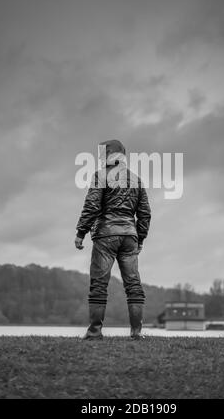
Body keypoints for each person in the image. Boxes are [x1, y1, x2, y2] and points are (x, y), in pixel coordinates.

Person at [75, 139, 151, 340]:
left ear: (107, 154)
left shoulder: (101, 176)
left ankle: (94, 331)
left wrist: (80, 232)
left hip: (106, 235)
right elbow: (145, 214)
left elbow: (92, 206)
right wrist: (140, 237)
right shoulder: (136, 179)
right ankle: (136, 333)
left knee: (99, 285)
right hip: (130, 236)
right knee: (133, 285)